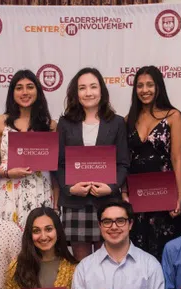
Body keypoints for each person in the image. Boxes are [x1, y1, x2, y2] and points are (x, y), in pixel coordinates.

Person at [55, 68, 130, 261]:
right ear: (75, 93)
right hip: (75, 203)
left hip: (107, 201)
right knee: (83, 264)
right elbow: (58, 163)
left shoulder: (117, 123)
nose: (88, 92)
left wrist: (111, 187)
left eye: (93, 87)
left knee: (108, 261)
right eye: (82, 88)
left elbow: (123, 163)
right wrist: (70, 188)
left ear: (102, 91)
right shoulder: (64, 123)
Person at [122, 65, 181, 260]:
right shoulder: (128, 119)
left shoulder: (173, 116)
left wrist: (178, 196)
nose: (144, 90)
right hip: (137, 198)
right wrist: (124, 192)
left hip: (164, 196)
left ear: (159, 87)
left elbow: (176, 158)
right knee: (138, 255)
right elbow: (125, 160)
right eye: (140, 85)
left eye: (150, 85)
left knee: (165, 253)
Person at [0, 70, 59, 229]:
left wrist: (56, 205)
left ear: (38, 91)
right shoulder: (0, 122)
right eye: (19, 88)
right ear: (12, 93)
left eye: (30, 87)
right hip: (7, 192)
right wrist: (7, 173)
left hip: (41, 192)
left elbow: (55, 172)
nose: (25, 92)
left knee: (39, 242)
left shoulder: (50, 125)